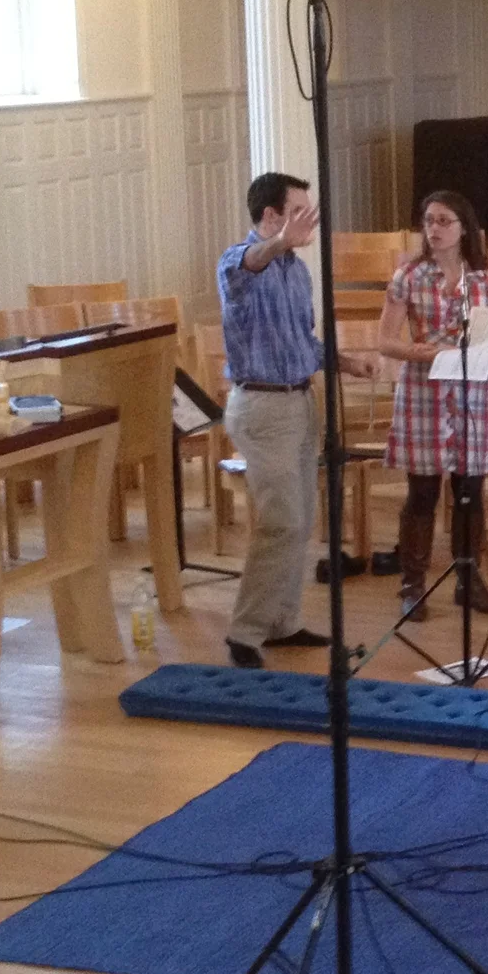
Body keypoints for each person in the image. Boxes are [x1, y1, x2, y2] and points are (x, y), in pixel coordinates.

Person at [215, 172, 374, 670]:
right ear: (270, 216)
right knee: (280, 521)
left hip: (301, 402)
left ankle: (282, 622)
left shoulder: (297, 272)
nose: (310, 222)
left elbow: (302, 341)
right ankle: (244, 631)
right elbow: (249, 264)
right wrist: (278, 243)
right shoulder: (239, 263)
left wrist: (345, 362)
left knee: (302, 519)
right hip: (262, 407)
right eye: (299, 212)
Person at [377, 190, 488, 621]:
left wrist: (487, 345)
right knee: (423, 492)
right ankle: (412, 585)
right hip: (423, 390)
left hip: (471, 390)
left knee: (470, 491)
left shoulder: (487, 279)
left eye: (444, 220)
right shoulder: (409, 275)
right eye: (428, 220)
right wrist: (426, 352)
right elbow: (385, 341)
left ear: (464, 227)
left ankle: (468, 582)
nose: (434, 229)